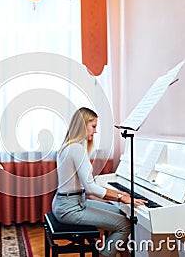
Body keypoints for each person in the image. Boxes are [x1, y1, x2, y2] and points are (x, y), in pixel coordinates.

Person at [52, 107, 147, 257]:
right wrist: (122, 197)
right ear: (83, 125)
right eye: (93, 126)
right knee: (124, 225)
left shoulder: (71, 146)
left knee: (121, 212)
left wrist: (118, 193)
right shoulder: (76, 149)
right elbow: (91, 188)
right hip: (70, 208)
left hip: (72, 202)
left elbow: (88, 185)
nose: (95, 131)